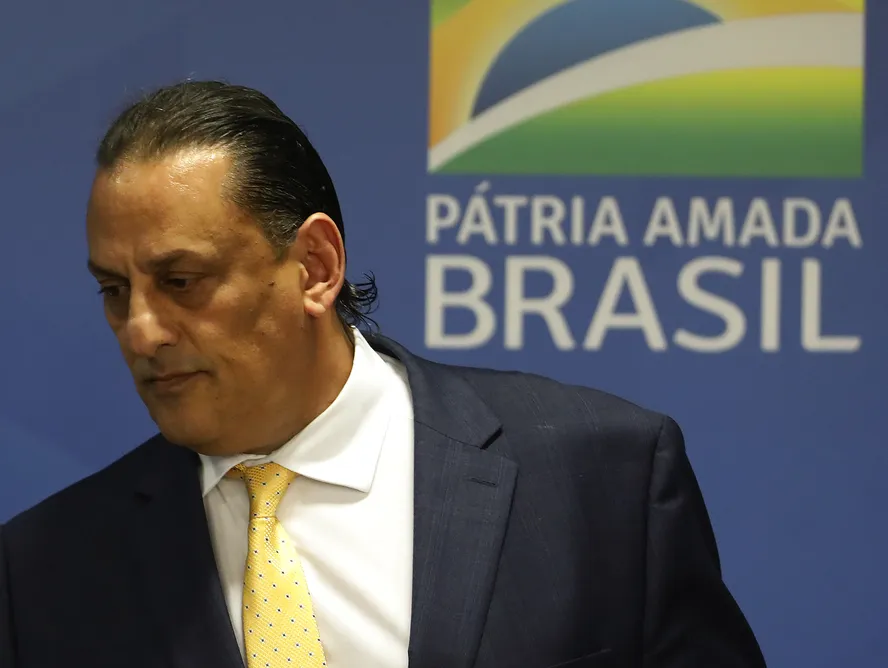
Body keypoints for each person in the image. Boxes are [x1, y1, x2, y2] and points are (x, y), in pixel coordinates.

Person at [0, 81, 767, 668]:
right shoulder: (44, 570)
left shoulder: (602, 479)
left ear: (315, 266)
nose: (140, 329)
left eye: (181, 281)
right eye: (114, 290)